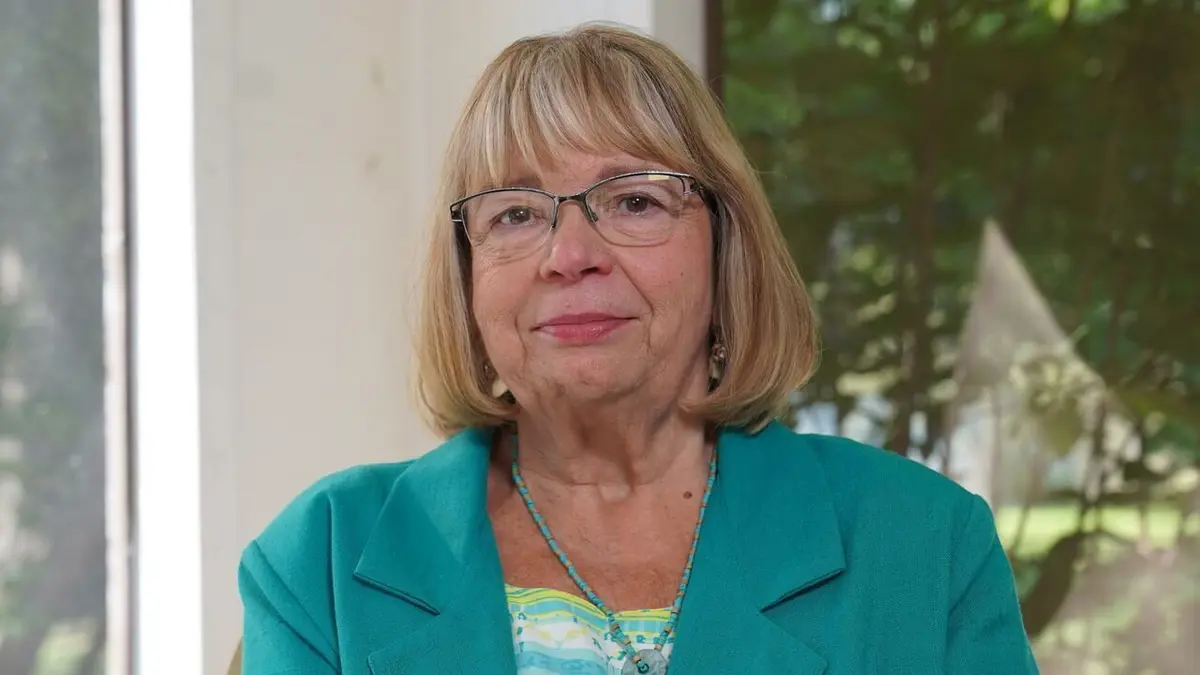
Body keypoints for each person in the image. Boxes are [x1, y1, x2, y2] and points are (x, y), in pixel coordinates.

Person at [238, 22, 1039, 675]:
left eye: (633, 201)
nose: (569, 254)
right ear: (468, 276)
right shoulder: (320, 558)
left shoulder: (924, 545)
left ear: (726, 247)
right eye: (516, 213)